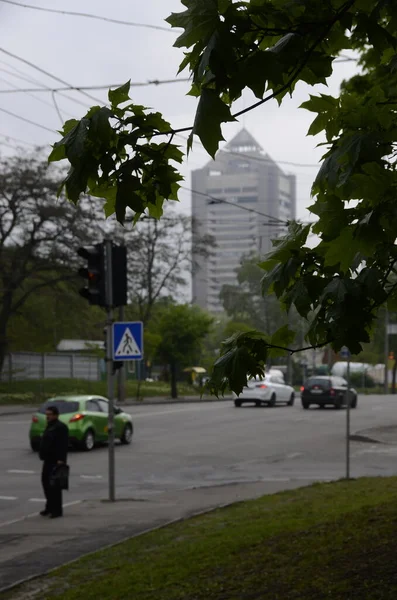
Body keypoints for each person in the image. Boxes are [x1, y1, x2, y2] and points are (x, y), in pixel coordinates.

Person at [39, 405, 69, 518]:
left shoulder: (61, 427)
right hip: (47, 459)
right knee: (46, 483)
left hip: (56, 460)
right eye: (46, 414)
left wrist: (61, 460)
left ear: (56, 415)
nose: (47, 417)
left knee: (55, 486)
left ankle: (57, 510)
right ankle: (49, 507)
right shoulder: (50, 426)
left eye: (49, 415)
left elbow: (63, 445)